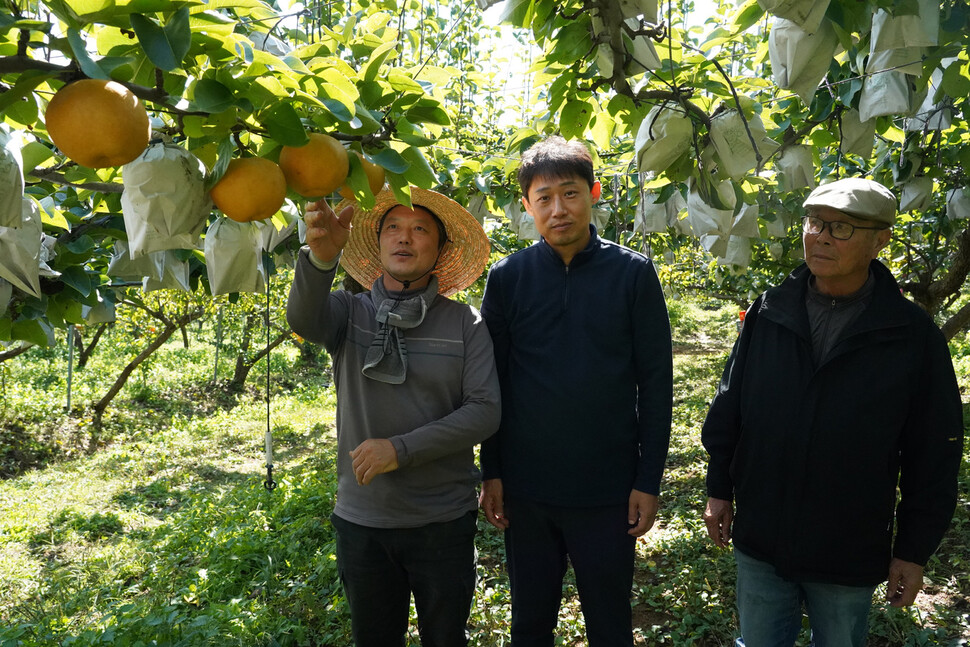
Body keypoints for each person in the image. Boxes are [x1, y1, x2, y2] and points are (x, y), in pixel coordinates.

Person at [701, 177, 964, 647]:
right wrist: (719, 489)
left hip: (847, 543)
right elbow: (729, 405)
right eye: (815, 222)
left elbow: (934, 453)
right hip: (762, 532)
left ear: (880, 240)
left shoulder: (909, 335)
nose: (820, 236)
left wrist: (913, 549)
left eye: (841, 228)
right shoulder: (770, 311)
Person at [479, 135, 673, 646]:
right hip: (527, 491)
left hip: (607, 490)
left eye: (569, 194)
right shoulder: (507, 278)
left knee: (610, 626)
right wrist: (492, 470)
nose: (557, 209)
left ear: (594, 193)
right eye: (543, 198)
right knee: (529, 625)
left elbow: (656, 383)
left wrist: (647, 479)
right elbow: (491, 384)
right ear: (526, 206)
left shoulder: (632, 275)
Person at [286, 187, 500, 647]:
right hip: (365, 521)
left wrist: (399, 450)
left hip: (442, 521)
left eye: (420, 229)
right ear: (379, 243)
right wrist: (320, 260)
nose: (405, 238)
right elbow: (303, 320)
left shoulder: (465, 323)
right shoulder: (350, 312)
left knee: (445, 638)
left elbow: (484, 412)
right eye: (393, 229)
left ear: (440, 249)